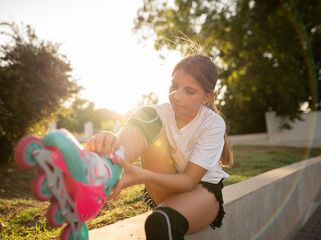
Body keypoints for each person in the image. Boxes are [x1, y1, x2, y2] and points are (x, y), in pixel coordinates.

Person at [86, 54, 233, 240]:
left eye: (189, 91)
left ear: (206, 97)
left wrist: (141, 176)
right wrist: (108, 142)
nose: (177, 96)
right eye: (174, 86)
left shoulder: (212, 124)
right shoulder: (156, 114)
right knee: (146, 116)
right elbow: (127, 142)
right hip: (167, 184)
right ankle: (94, 170)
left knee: (161, 221)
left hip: (201, 190)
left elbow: (188, 181)